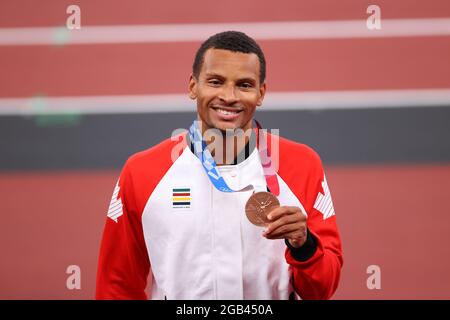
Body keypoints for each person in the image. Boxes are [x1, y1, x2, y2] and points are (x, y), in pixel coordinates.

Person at [96, 31, 343, 300]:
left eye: (245, 85)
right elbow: (116, 286)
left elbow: (323, 288)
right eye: (215, 82)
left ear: (261, 93)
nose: (229, 96)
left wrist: (304, 246)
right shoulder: (142, 172)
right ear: (193, 86)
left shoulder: (302, 165)